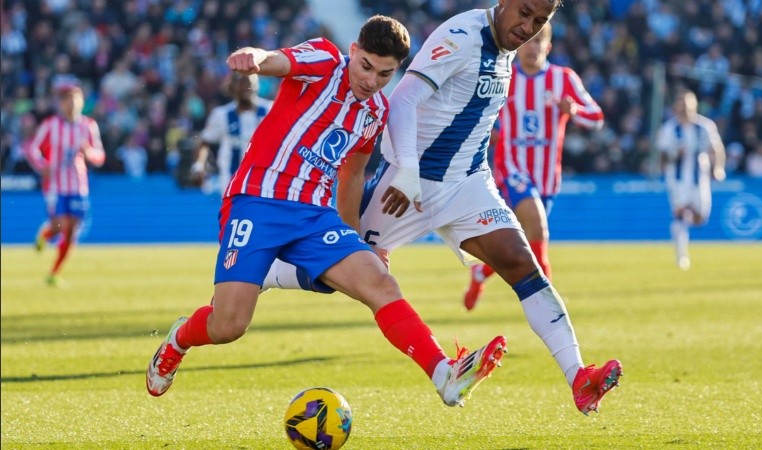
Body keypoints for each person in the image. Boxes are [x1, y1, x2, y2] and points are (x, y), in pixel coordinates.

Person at [263, 0, 622, 415]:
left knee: (521, 263)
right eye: (523, 14)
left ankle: (579, 376)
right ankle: (264, 273)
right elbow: (402, 101)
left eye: (539, 22)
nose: (527, 27)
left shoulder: (505, 50)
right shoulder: (462, 36)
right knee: (344, 272)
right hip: (409, 186)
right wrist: (409, 172)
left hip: (468, 183)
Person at [146, 15, 508, 409]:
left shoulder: (376, 113)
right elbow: (278, 60)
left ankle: (444, 374)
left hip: (313, 217)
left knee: (381, 283)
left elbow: (352, 176)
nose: (371, 80)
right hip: (257, 201)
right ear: (353, 51)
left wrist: (354, 238)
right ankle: (181, 338)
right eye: (366, 66)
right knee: (229, 325)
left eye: (385, 74)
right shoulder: (323, 59)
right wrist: (254, 57)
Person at [463, 22, 604, 310]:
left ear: (548, 47)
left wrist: (573, 111)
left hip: (547, 177)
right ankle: (550, 307)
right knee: (537, 228)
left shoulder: (563, 79)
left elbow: (597, 117)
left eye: (539, 41)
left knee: (524, 242)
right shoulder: (505, 76)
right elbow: (478, 112)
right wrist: (487, 132)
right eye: (528, 40)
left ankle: (481, 271)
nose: (532, 46)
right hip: (511, 168)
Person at [25, 79, 106, 286]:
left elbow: (100, 156)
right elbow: (32, 149)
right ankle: (46, 232)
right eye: (66, 99)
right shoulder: (51, 125)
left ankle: (53, 273)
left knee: (70, 231)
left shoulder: (89, 126)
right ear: (60, 103)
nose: (71, 103)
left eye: (75, 98)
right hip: (55, 185)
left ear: (81, 101)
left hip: (78, 185)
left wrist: (90, 153)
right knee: (61, 225)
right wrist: (42, 166)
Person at [657, 89, 726, 270]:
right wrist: (674, 156)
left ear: (694, 105)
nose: (684, 109)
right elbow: (662, 158)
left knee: (700, 218)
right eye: (680, 105)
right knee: (679, 214)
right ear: (675, 107)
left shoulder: (705, 126)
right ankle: (681, 256)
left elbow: (716, 149)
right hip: (677, 180)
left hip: (699, 178)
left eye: (687, 104)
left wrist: (718, 168)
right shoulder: (670, 129)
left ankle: (685, 220)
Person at [189, 72, 273, 195]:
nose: (246, 87)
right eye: (242, 83)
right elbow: (204, 141)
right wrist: (199, 166)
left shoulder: (270, 110)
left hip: (264, 183)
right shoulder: (221, 115)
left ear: (257, 85)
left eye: (249, 83)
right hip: (231, 184)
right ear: (233, 87)